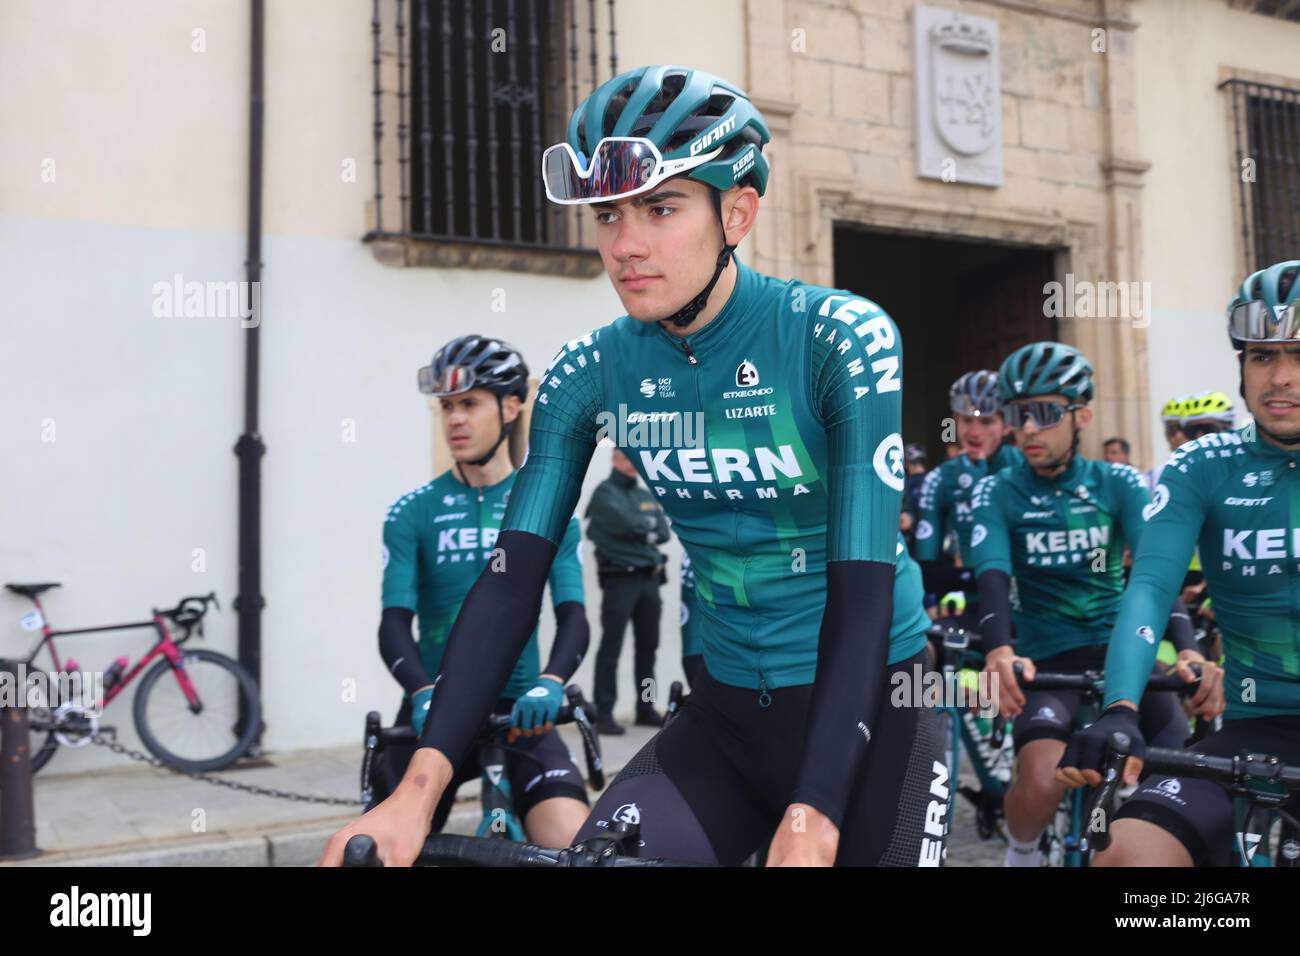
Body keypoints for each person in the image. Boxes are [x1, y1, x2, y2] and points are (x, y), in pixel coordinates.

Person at [322, 64, 940, 868]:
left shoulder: (837, 338)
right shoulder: (589, 372)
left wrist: (816, 812)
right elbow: (512, 579)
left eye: (661, 207)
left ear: (738, 212)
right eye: (608, 213)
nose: (625, 244)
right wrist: (418, 792)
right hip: (725, 716)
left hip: (875, 708)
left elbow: (863, 592)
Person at [1059, 260, 1300, 867]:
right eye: (1263, 356)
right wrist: (1120, 708)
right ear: (1241, 366)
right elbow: (1148, 587)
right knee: (1124, 856)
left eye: (1299, 354)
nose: (1282, 378)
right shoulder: (1204, 464)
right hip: (1258, 726)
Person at [965, 341, 1215, 867]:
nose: (1028, 428)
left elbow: (1154, 575)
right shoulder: (997, 491)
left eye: (1045, 413)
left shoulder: (1118, 482)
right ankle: (1023, 851)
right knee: (1038, 780)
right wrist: (999, 651)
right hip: (1048, 657)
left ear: (1082, 415)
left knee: (1175, 777)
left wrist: (1187, 647)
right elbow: (991, 575)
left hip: (1124, 651)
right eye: (1016, 414)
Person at [371, 335, 591, 848]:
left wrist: (553, 680)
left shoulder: (546, 506)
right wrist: (424, 691)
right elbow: (393, 623)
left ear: (512, 406)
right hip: (432, 710)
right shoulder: (411, 512)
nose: (454, 420)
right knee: (379, 849)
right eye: (446, 407)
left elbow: (574, 615)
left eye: (469, 404)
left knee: (576, 845)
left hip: (523, 710)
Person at [913, 370, 1024, 636]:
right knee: (925, 649)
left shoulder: (1024, 467)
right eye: (966, 420)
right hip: (970, 606)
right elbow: (924, 572)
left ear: (1007, 425)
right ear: (955, 421)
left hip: (1029, 610)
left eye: (986, 421)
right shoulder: (940, 478)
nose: (974, 432)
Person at [585, 448, 671, 733]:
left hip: (649, 581)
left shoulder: (644, 495)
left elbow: (663, 531)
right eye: (626, 456)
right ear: (615, 459)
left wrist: (642, 532)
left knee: (648, 648)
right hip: (620, 580)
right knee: (612, 647)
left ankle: (645, 709)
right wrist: (645, 532)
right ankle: (604, 713)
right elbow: (625, 524)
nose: (632, 463)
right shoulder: (605, 493)